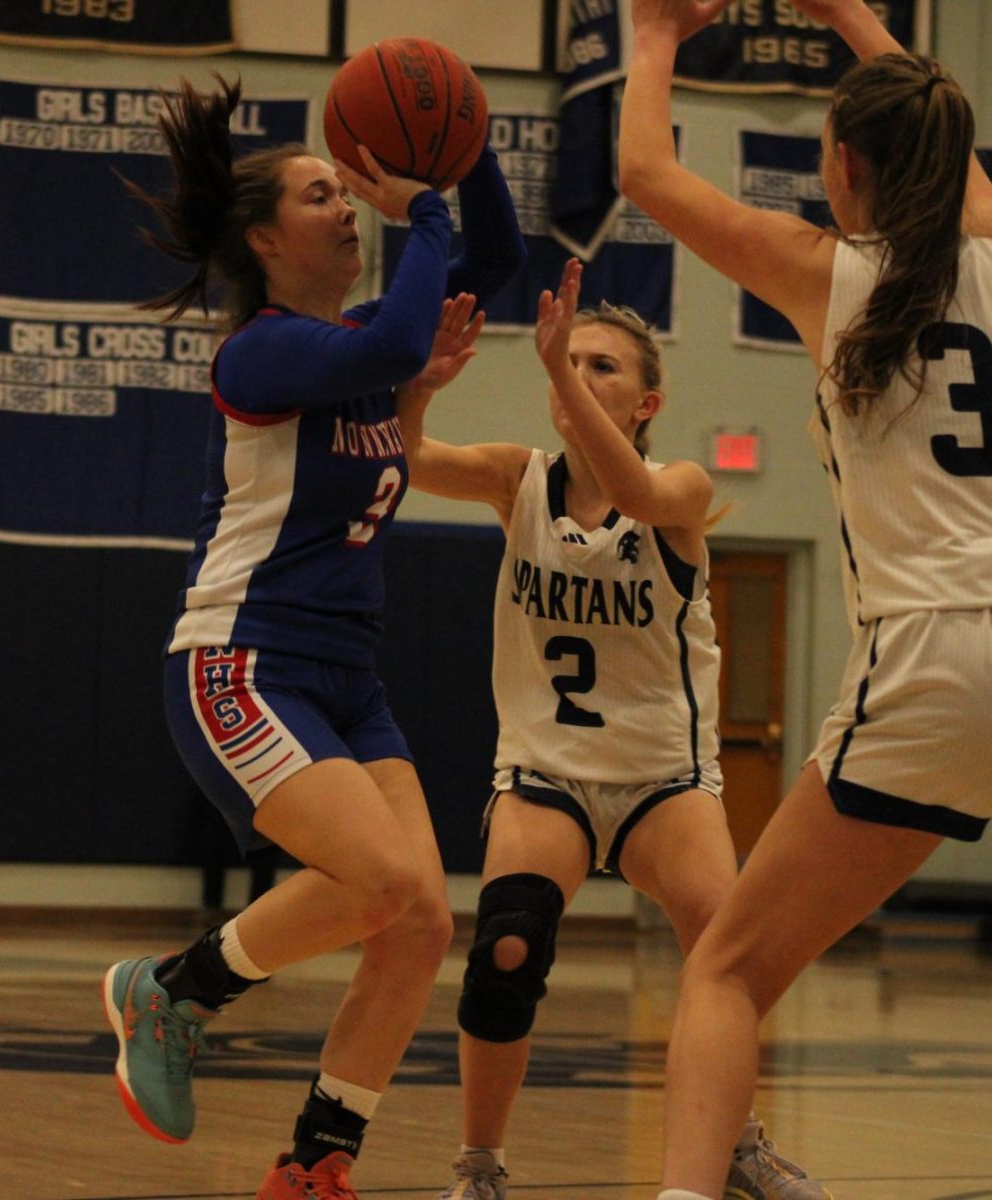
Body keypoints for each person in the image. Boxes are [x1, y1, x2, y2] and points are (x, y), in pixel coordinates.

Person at [100, 75, 526, 1200]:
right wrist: (420, 214)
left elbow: (501, 265)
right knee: (381, 879)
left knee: (425, 920)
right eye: (321, 193)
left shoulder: (360, 350)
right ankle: (174, 992)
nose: (347, 206)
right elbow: (395, 337)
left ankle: (314, 1166)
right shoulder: (264, 351)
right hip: (243, 661)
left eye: (351, 190)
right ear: (262, 238)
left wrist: (464, 148)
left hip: (346, 679)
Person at [618, 2, 992, 1198]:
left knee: (727, 967)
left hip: (936, 652)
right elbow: (953, 145)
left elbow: (641, 170)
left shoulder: (823, 270)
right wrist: (846, 12)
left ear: (844, 166)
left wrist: (654, 33)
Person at [396, 262, 829, 1200]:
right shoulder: (519, 480)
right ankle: (479, 1168)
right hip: (547, 773)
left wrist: (553, 370)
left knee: (727, 949)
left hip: (663, 781)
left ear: (648, 399)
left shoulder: (677, 486)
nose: (580, 377)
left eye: (603, 368)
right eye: (572, 362)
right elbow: (410, 461)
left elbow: (632, 491)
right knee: (508, 946)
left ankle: (736, 1145)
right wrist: (417, 387)